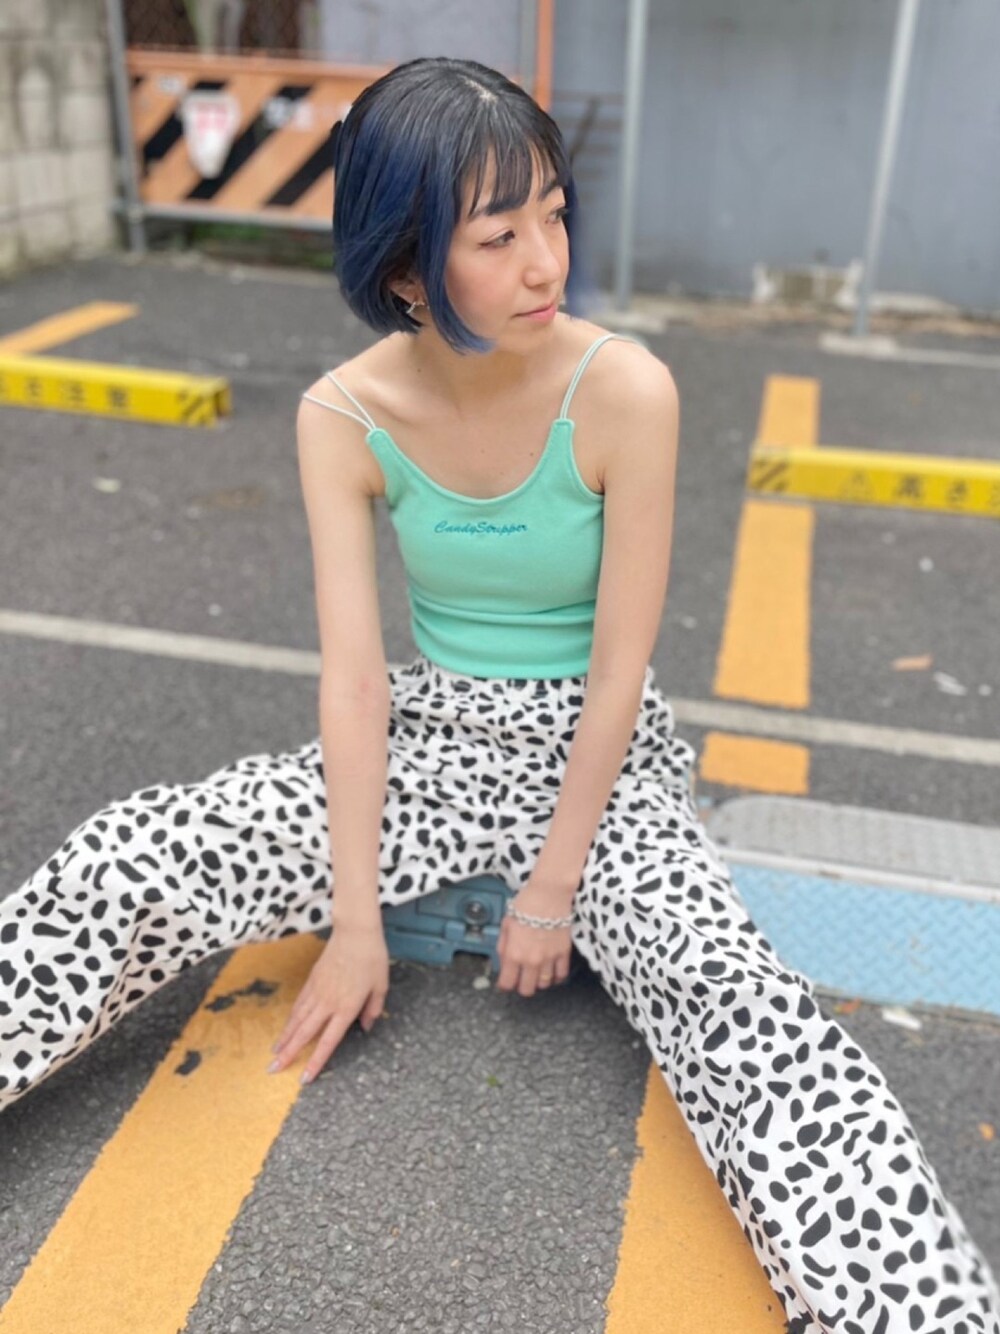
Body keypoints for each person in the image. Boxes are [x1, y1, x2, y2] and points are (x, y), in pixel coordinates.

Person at [1, 54, 997, 1334]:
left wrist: (550, 888)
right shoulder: (342, 412)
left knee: (741, 1007)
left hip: (601, 768)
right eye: (498, 234)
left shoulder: (623, 389)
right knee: (130, 853)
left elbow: (621, 670)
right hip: (431, 740)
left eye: (553, 214)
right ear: (408, 268)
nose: (546, 262)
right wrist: (353, 919)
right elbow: (355, 679)